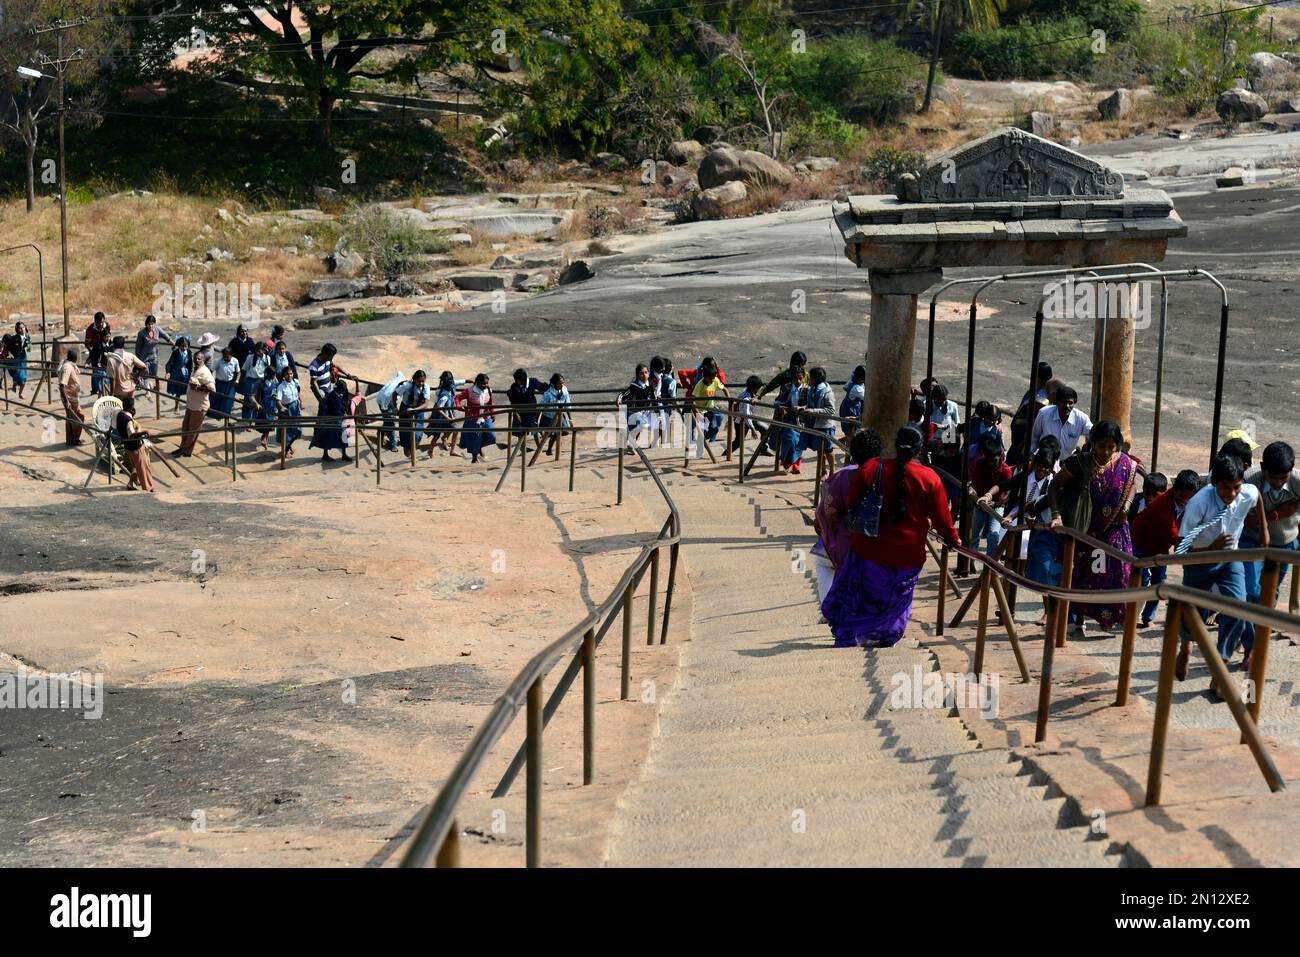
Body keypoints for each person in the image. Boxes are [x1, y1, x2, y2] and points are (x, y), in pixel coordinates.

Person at [821, 425, 960, 648]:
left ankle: (850, 635)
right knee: (896, 600)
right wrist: (953, 538)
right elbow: (943, 519)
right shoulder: (930, 478)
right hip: (908, 555)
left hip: (868, 550)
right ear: (920, 448)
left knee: (863, 596)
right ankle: (887, 635)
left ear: (894, 444)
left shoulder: (872, 467)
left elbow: (852, 501)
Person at [1176, 455, 1268, 686]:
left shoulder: (1246, 492)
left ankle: (1220, 666)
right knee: (1194, 613)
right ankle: (1186, 645)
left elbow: (1257, 498)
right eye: (1226, 488)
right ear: (1214, 482)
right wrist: (1210, 548)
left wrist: (1263, 529)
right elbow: (1180, 548)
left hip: (1229, 559)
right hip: (1199, 561)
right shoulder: (1199, 503)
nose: (1232, 493)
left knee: (1237, 607)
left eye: (1236, 487)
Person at [1048, 420, 1137, 636]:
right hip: (1086, 531)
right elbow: (1054, 486)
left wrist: (1126, 505)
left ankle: (1114, 618)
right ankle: (1078, 619)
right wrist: (1056, 515)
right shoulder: (1080, 463)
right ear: (1093, 443)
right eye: (1101, 446)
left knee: (1119, 576)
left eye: (1111, 447)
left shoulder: (1125, 464)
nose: (1106, 452)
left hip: (1115, 532)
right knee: (1084, 576)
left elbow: (1132, 485)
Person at [986, 439, 1062, 628]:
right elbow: (1006, 485)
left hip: (1038, 526)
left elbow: (1034, 505)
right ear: (1035, 464)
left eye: (1046, 469)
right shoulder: (1027, 476)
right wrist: (988, 495)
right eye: (1040, 467)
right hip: (1018, 523)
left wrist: (1013, 516)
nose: (1042, 471)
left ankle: (1047, 611)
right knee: (1010, 566)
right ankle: (1006, 608)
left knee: (1042, 571)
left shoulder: (1051, 484)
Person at [1240, 441, 1300, 663]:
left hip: (1284, 544)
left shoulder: (1296, 481)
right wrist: (1276, 515)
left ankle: (1256, 635)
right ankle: (1250, 646)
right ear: (1263, 467)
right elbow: (1239, 519)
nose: (1277, 483)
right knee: (1251, 591)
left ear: (1291, 470)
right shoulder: (1249, 481)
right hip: (1252, 541)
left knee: (1269, 595)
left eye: (1282, 479)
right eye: (1272, 477)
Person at [812, 428, 883, 605]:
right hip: (881, 546)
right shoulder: (886, 476)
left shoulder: (840, 477)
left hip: (846, 545)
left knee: (823, 562)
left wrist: (832, 537)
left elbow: (824, 513)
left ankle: (829, 609)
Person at [1131, 469, 1200, 629]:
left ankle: (1148, 617)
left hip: (1160, 546)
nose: (1185, 500)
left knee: (1159, 581)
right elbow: (1173, 532)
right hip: (1140, 542)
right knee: (1141, 579)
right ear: (1174, 488)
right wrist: (1189, 549)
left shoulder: (1188, 503)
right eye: (1182, 496)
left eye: (1189, 497)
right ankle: (1131, 613)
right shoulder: (1162, 503)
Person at [969, 432, 1013, 557]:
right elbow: (974, 483)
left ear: (1000, 456)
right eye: (987, 459)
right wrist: (973, 492)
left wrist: (998, 503)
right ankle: (971, 561)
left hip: (997, 506)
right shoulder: (980, 464)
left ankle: (989, 568)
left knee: (993, 536)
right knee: (975, 535)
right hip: (980, 505)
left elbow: (1008, 493)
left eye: (992, 460)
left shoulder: (1005, 470)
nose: (989, 463)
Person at [1008, 361, 1052, 466]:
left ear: (1038, 377)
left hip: (1023, 444)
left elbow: (1034, 424)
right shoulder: (1033, 391)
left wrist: (1023, 444)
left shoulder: (1041, 399)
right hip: (1018, 440)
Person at [1031, 385, 1092, 455]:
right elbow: (1034, 437)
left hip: (1068, 462)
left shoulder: (1082, 418)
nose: (1067, 406)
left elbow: (1094, 433)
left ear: (1074, 403)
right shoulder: (1044, 414)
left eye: (1070, 403)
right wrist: (1032, 455)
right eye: (1063, 402)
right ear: (1057, 402)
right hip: (1047, 461)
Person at [176, 351, 214, 457]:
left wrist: (198, 388)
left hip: (199, 407)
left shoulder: (205, 372)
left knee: (193, 430)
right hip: (191, 405)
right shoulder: (196, 370)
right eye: (195, 358)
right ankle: (182, 447)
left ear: (203, 360)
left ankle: (187, 451)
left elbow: (212, 388)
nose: (197, 360)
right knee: (185, 428)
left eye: (199, 359)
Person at [115, 396, 155, 492]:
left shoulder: (119, 415)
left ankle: (130, 483)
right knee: (144, 468)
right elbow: (131, 435)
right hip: (135, 447)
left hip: (127, 446)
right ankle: (148, 488)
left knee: (136, 467)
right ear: (131, 407)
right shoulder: (127, 420)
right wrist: (143, 432)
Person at [310, 376, 352, 461]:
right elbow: (325, 408)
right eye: (342, 390)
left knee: (344, 436)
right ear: (338, 389)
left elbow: (344, 405)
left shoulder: (341, 395)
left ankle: (344, 454)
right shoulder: (330, 396)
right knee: (327, 437)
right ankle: (325, 455)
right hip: (331, 420)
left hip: (340, 420)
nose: (343, 391)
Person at [776, 366, 808, 474]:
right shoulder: (786, 388)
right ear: (792, 378)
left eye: (800, 378)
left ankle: (796, 465)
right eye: (795, 379)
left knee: (799, 441)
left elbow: (811, 404)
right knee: (789, 438)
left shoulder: (807, 389)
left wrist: (803, 408)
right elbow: (777, 401)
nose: (798, 381)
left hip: (802, 419)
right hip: (788, 418)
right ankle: (787, 461)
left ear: (803, 377)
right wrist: (781, 407)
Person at [690, 358, 728, 446]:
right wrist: (697, 413)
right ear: (705, 376)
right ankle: (698, 445)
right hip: (701, 411)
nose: (711, 381)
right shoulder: (700, 385)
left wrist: (729, 401)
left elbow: (725, 389)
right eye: (710, 379)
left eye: (713, 378)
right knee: (702, 429)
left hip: (710, 409)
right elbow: (692, 400)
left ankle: (707, 438)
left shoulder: (715, 380)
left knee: (714, 428)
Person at [506, 368, 547, 449]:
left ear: (523, 379)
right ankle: (523, 448)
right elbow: (512, 401)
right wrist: (515, 413)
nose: (517, 382)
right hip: (520, 413)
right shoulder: (514, 386)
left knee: (534, 431)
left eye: (518, 380)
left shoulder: (532, 382)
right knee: (520, 433)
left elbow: (543, 387)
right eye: (516, 380)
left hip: (531, 412)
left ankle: (539, 448)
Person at [461, 373, 496, 464]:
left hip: (485, 417)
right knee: (476, 438)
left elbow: (490, 403)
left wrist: (493, 413)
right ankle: (474, 458)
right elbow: (457, 397)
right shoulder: (470, 391)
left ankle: (480, 447)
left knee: (492, 436)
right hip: (474, 419)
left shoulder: (488, 390)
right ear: (477, 383)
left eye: (487, 383)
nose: (485, 385)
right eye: (483, 383)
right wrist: (459, 406)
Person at [731, 374, 770, 454]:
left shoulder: (750, 392)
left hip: (749, 419)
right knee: (738, 442)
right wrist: (752, 429)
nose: (758, 391)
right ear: (752, 388)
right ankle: (726, 454)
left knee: (765, 429)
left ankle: (763, 449)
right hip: (741, 421)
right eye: (757, 389)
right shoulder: (746, 399)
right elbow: (746, 415)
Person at [617, 364, 655, 447]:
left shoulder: (650, 385)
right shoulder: (634, 386)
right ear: (638, 375)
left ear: (648, 373)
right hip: (632, 411)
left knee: (639, 427)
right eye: (642, 373)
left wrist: (657, 410)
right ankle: (631, 444)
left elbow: (653, 398)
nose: (644, 375)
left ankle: (632, 444)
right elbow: (624, 394)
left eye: (646, 372)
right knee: (637, 426)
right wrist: (619, 398)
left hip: (643, 411)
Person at [396, 370, 432, 457]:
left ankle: (413, 453)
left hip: (418, 410)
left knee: (417, 434)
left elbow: (426, 404)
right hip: (405, 409)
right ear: (414, 379)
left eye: (423, 381)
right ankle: (407, 452)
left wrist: (414, 409)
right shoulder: (407, 386)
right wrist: (395, 407)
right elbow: (395, 393)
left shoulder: (426, 387)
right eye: (419, 381)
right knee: (405, 433)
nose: (421, 383)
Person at [429, 371, 462, 457]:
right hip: (441, 418)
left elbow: (448, 406)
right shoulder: (444, 395)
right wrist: (448, 418)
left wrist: (451, 416)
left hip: (447, 416)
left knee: (455, 430)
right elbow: (439, 409)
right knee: (436, 435)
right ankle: (430, 450)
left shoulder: (448, 391)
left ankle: (452, 450)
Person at [58, 348, 87, 446]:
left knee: (70, 418)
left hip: (72, 397)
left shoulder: (69, 365)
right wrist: (66, 402)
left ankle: (70, 439)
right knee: (79, 417)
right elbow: (62, 385)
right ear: (76, 358)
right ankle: (76, 439)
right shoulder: (68, 367)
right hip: (69, 398)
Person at [105, 335, 148, 401]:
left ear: (113, 345)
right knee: (129, 408)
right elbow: (143, 367)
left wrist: (112, 394)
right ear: (123, 345)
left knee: (119, 410)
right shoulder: (130, 356)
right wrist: (136, 376)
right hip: (130, 388)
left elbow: (112, 378)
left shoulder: (111, 359)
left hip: (118, 392)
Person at [134, 315, 173, 382]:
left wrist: (172, 342)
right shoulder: (141, 333)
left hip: (154, 355)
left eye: (152, 324)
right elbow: (138, 346)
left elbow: (165, 335)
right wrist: (137, 358)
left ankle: (150, 386)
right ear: (146, 324)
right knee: (146, 372)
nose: (151, 326)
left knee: (154, 373)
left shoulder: (157, 330)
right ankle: (147, 390)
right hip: (144, 356)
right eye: (149, 324)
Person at [239, 340, 272, 420]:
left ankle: (254, 419)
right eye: (256, 350)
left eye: (260, 350)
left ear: (264, 350)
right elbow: (244, 370)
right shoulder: (250, 358)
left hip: (261, 382)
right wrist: (241, 381)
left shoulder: (268, 358)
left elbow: (269, 372)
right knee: (248, 400)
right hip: (251, 381)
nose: (258, 352)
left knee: (258, 400)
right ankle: (247, 419)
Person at [274, 366, 303, 456]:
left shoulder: (295, 382)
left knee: (298, 429)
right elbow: (278, 400)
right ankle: (285, 450)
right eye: (287, 374)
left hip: (295, 408)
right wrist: (281, 407)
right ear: (283, 375)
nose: (289, 376)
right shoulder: (281, 387)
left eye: (291, 374)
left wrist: (301, 401)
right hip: (287, 410)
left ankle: (288, 447)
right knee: (286, 432)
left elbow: (298, 393)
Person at [539, 373, 570, 456]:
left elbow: (567, 404)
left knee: (564, 431)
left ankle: (550, 445)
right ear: (554, 384)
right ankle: (546, 449)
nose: (561, 385)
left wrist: (570, 419)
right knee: (550, 433)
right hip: (548, 417)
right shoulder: (548, 394)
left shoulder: (564, 390)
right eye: (559, 383)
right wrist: (536, 420)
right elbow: (540, 407)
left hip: (560, 415)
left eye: (562, 383)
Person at [2, 321, 31, 398]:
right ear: (17, 330)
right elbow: (6, 347)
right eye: (20, 328)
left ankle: (20, 393)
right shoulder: (14, 338)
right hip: (15, 359)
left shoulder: (27, 337)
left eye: (23, 327)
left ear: (25, 328)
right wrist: (9, 353)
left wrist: (29, 346)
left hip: (23, 358)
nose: (22, 329)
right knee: (19, 375)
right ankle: (15, 383)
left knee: (24, 377)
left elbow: (28, 346)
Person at [209, 346, 240, 419]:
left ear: (231, 355)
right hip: (219, 384)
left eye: (227, 357)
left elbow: (238, 372)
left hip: (230, 385)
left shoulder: (235, 361)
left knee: (228, 403)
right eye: (224, 356)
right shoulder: (218, 361)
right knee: (217, 401)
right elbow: (211, 370)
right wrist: (211, 380)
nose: (225, 358)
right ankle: (218, 416)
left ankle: (226, 421)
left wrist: (237, 381)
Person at [85, 313, 112, 396]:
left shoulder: (107, 326)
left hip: (105, 357)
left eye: (102, 322)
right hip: (95, 350)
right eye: (98, 323)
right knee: (96, 373)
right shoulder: (90, 329)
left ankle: (107, 392)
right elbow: (87, 343)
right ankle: (95, 390)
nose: (101, 324)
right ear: (95, 322)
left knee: (106, 378)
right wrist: (92, 353)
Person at [838, 365, 866, 445]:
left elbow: (845, 387)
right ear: (861, 379)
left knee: (853, 429)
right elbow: (867, 398)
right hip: (851, 409)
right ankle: (848, 445)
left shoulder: (853, 381)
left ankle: (845, 440)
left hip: (848, 405)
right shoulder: (857, 389)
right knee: (853, 429)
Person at [164, 337, 192, 413]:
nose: (184, 348)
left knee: (189, 390)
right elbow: (170, 363)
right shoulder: (176, 353)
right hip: (177, 373)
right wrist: (168, 372)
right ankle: (177, 407)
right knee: (178, 391)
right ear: (179, 345)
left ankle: (190, 407)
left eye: (186, 346)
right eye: (182, 346)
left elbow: (190, 364)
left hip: (186, 373)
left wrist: (191, 373)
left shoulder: (189, 352)